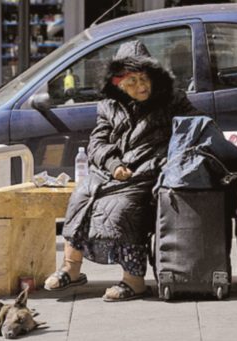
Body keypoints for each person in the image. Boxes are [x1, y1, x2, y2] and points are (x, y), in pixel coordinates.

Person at [44, 40, 200, 302]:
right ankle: (71, 269)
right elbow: (98, 141)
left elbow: (197, 126)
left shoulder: (172, 100)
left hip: (149, 171)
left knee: (124, 207)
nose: (141, 86)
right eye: (132, 82)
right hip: (113, 170)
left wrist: (167, 158)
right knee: (82, 195)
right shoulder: (108, 105)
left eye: (145, 79)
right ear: (118, 83)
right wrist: (113, 164)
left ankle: (134, 280)